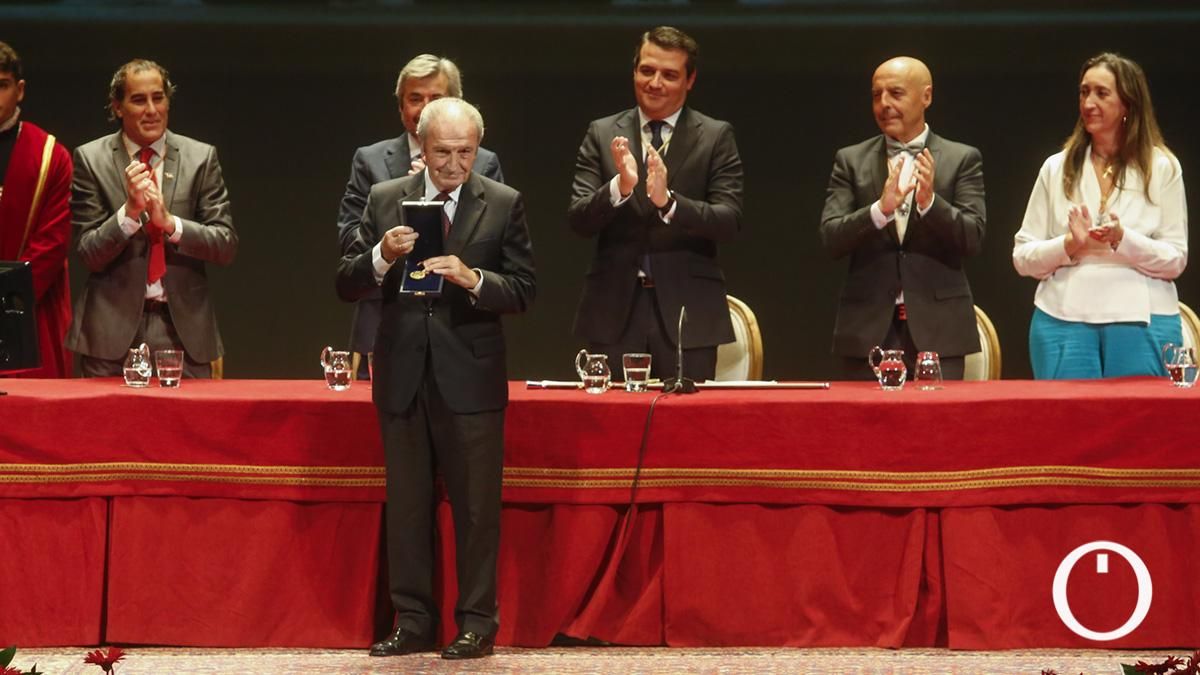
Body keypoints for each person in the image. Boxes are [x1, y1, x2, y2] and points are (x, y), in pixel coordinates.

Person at [337, 98, 535, 660]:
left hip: (469, 374)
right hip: (402, 372)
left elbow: (524, 288)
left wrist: (475, 279)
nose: (453, 164)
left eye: (465, 153)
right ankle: (414, 621)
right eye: (443, 152)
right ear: (419, 147)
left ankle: (476, 623)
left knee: (476, 508)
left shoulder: (502, 203)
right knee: (407, 505)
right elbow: (347, 282)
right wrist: (379, 256)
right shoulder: (384, 199)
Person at [567, 26, 742, 381]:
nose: (655, 82)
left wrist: (669, 203)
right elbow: (579, 219)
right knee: (611, 427)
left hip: (688, 311)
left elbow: (729, 220)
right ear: (634, 71)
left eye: (669, 74)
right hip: (613, 308)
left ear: (690, 80)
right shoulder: (602, 132)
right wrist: (620, 186)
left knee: (686, 430)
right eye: (646, 70)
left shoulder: (715, 135)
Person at [1013, 53, 1186, 379]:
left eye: (1101, 93)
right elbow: (1023, 257)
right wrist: (1069, 244)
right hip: (1061, 321)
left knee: (1141, 428)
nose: (1088, 102)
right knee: (1068, 428)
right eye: (1084, 92)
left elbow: (1176, 259)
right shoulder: (1056, 167)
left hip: (1143, 321)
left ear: (1128, 104)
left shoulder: (1162, 167)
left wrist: (1124, 239)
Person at [67, 59, 237, 378]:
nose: (151, 109)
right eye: (138, 99)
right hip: (109, 336)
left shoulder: (200, 158)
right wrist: (128, 216)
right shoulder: (90, 159)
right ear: (117, 107)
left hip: (184, 335)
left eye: (158, 98)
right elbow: (88, 253)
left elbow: (225, 245)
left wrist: (171, 225)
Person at [337, 54, 504, 376]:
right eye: (415, 98)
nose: (425, 108)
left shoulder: (483, 164)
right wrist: (407, 192)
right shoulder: (369, 160)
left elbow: (494, 250)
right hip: (386, 326)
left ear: (456, 104)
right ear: (401, 107)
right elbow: (349, 243)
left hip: (460, 329)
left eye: (436, 98)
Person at [820, 56, 986, 380]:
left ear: (926, 96)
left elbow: (973, 238)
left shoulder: (961, 158)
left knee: (938, 430)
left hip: (940, 330)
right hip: (867, 330)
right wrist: (879, 210)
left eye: (895, 93)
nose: (884, 104)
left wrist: (930, 204)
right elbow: (831, 238)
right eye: (876, 95)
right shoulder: (850, 160)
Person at [0, 41, 72, 377]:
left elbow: (52, 243)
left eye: (2, 86)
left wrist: (10, 296)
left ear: (20, 89)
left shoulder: (50, 156)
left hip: (27, 309)